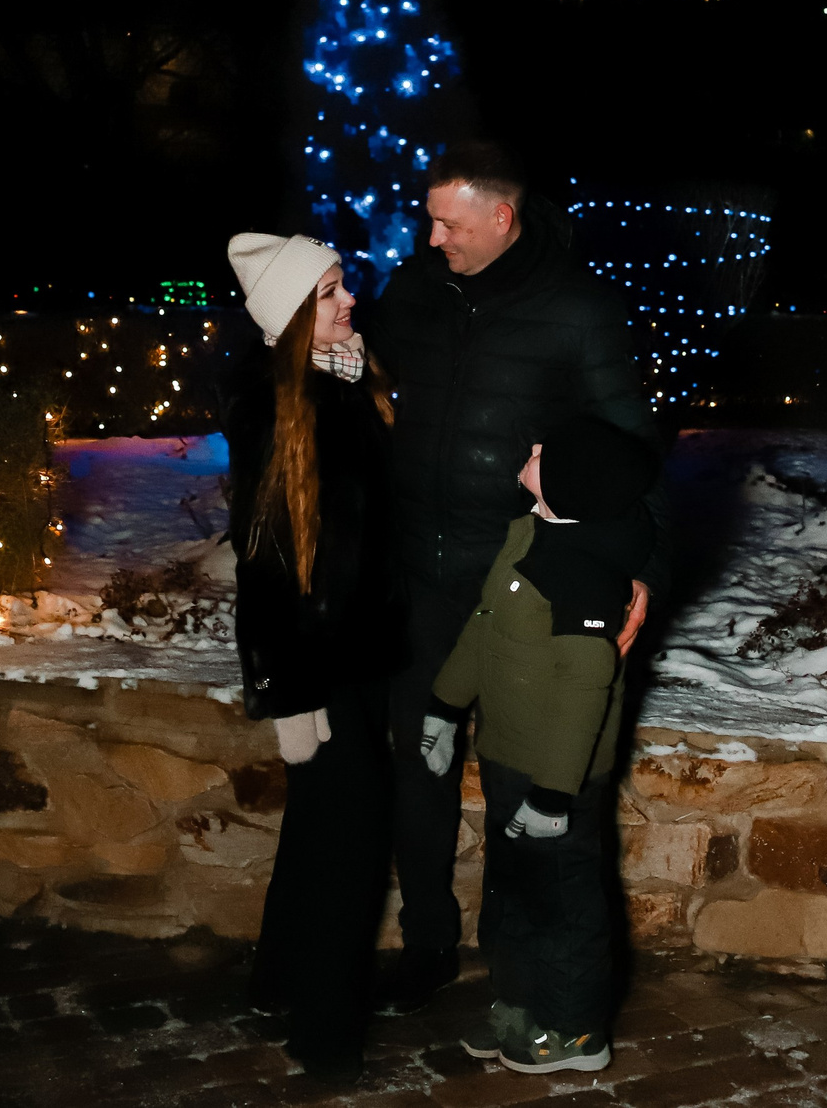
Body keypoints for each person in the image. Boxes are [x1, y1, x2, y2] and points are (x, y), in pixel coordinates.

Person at [360, 140, 664, 1015]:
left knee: (519, 782)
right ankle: (427, 942)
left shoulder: (580, 310)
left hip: (523, 585)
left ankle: (521, 971)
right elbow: (367, 383)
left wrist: (639, 570)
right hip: (420, 577)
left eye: (448, 223)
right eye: (428, 219)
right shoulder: (416, 292)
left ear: (502, 217)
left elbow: (632, 449)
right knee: (416, 766)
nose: (431, 237)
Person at [420, 417, 658, 1074]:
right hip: (507, 753)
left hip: (557, 773)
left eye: (543, 452)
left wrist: (554, 795)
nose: (529, 451)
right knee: (513, 896)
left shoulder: (582, 574)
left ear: (570, 483)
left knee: (562, 903)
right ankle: (520, 1006)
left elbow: (585, 690)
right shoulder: (531, 533)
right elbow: (485, 625)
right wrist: (445, 705)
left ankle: (576, 1030)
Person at [222, 231, 400, 1082]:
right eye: (329, 292)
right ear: (292, 314)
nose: (349, 299)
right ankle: (325, 1035)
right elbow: (262, 565)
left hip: (362, 653)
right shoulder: (277, 406)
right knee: (349, 846)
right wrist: (287, 693)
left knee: (319, 828)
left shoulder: (348, 382)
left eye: (343, 285)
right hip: (316, 667)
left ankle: (279, 979)